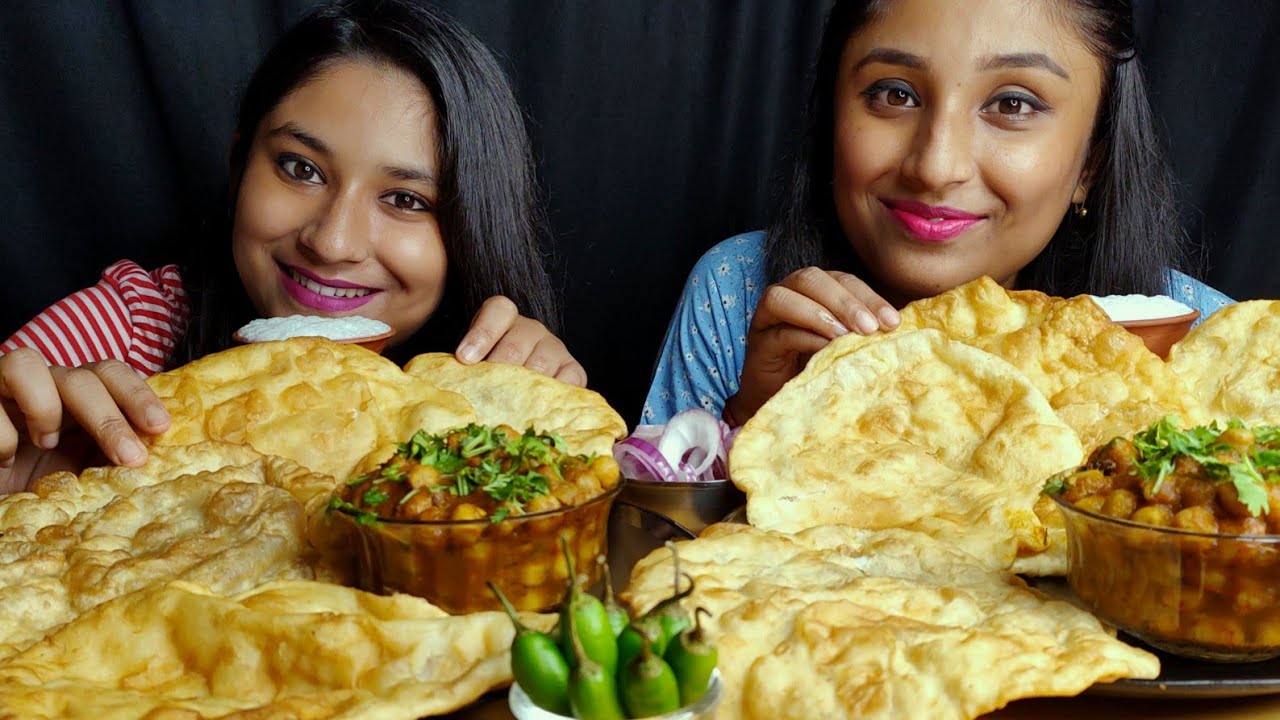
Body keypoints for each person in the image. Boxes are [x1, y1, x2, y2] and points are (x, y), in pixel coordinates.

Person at [0, 0, 582, 487]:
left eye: (406, 200)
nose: (331, 241)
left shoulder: (499, 393)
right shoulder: (121, 333)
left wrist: (537, 429)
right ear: (238, 167)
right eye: (300, 168)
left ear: (475, 229)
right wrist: (17, 484)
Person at [642, 0, 1234, 427]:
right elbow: (662, 576)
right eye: (894, 93)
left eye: (1012, 103)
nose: (935, 165)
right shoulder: (740, 293)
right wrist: (755, 420)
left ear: (1090, 165)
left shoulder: (1209, 344)